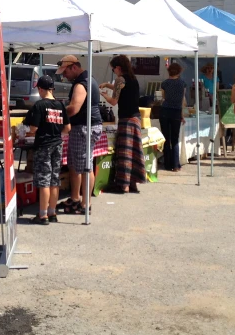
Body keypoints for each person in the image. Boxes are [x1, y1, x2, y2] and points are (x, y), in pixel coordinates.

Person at [56, 55, 102, 214]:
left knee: (85, 167)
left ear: (73, 67)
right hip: (83, 126)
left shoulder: (82, 83)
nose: (64, 76)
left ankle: (85, 204)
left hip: (85, 127)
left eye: (65, 71)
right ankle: (76, 198)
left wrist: (57, 111)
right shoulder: (86, 79)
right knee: (75, 165)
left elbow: (74, 108)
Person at [23, 76, 70, 225]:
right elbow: (67, 128)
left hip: (43, 145)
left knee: (44, 181)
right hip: (57, 144)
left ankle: (42, 215)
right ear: (52, 89)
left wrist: (30, 131)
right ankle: (52, 212)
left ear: (41, 89)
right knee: (54, 179)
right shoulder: (60, 105)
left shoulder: (39, 105)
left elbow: (34, 128)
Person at [100, 55, 146, 193]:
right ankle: (133, 183)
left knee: (124, 152)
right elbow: (120, 88)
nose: (114, 71)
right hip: (136, 119)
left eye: (113, 69)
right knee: (134, 152)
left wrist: (104, 95)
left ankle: (123, 185)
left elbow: (114, 101)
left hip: (126, 120)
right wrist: (108, 85)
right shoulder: (133, 78)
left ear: (118, 67)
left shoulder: (120, 79)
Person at [159, 61, 187, 172]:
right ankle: (175, 165)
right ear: (179, 72)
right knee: (175, 139)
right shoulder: (182, 83)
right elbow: (182, 101)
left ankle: (167, 164)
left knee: (166, 138)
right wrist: (182, 115)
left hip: (165, 111)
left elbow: (164, 97)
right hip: (176, 111)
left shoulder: (165, 83)